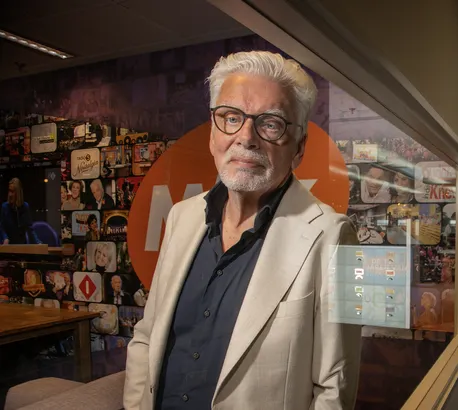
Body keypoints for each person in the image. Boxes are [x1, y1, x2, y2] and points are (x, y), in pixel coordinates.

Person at [124, 51, 362, 410]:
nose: (246, 137)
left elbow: (334, 387)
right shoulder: (181, 218)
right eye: (231, 117)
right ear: (212, 135)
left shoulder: (333, 236)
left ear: (299, 147)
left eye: (271, 123)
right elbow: (147, 336)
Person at [1, 178, 41, 245]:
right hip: (7, 245)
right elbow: (2, 227)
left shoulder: (25, 207)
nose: (10, 194)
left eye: (12, 192)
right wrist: (5, 238)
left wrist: (38, 243)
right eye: (9, 191)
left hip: (21, 245)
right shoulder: (5, 207)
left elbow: (29, 228)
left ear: (18, 193)